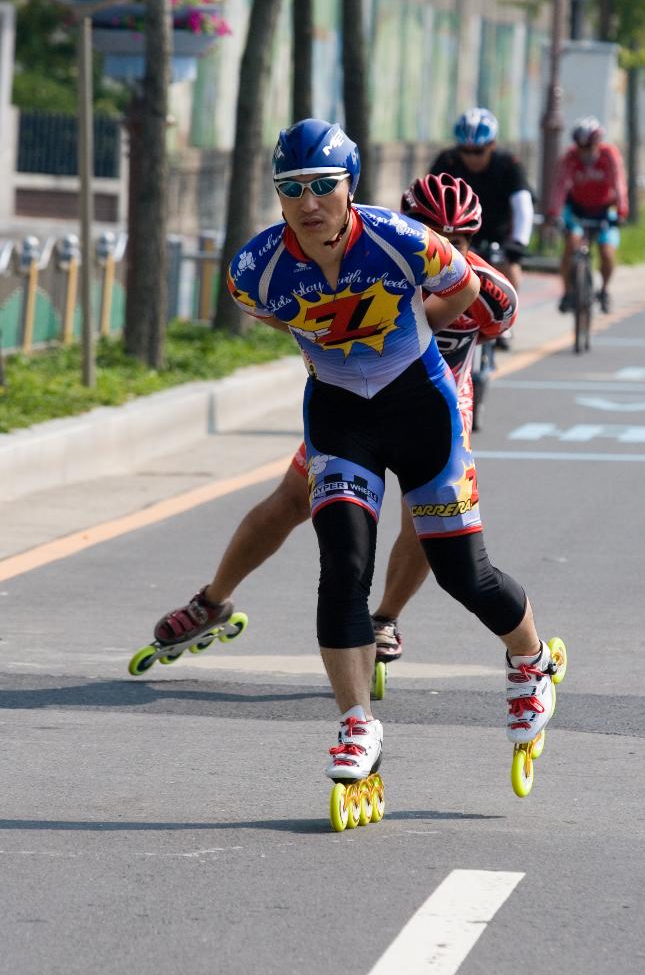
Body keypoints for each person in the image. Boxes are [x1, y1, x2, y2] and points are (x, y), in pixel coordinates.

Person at [158, 120, 555, 790]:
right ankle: (355, 723)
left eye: (322, 187)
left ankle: (531, 661)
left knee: (464, 575)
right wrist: (329, 341)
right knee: (342, 562)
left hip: (421, 409)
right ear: (277, 195)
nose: (308, 203)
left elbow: (462, 287)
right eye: (291, 189)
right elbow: (268, 311)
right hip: (339, 417)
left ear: (350, 188)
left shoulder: (400, 241)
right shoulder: (255, 268)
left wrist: (413, 329)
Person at [154, 171, 518, 671]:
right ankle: (212, 601)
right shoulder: (376, 256)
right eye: (430, 230)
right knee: (289, 500)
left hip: (438, 404)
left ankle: (385, 618)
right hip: (357, 401)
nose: (442, 244)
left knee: (425, 519)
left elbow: (497, 330)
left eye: (455, 239)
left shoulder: (487, 291)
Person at [430, 108, 533, 345]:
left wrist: (519, 242)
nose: (472, 157)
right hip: (457, 232)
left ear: (492, 145)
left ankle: (505, 322)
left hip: (498, 232)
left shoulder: (508, 164)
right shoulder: (447, 161)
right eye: (466, 151)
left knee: (510, 266)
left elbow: (522, 205)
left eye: (479, 151)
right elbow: (427, 197)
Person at [547, 116, 629, 315]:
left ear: (598, 143)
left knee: (607, 253)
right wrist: (554, 212)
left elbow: (619, 182)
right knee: (572, 244)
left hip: (604, 209)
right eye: (580, 147)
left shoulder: (609, 155)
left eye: (589, 147)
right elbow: (560, 185)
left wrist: (621, 210)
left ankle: (604, 290)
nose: (584, 152)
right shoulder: (570, 157)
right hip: (577, 208)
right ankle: (567, 292)